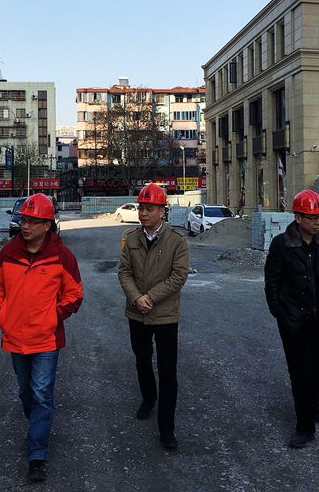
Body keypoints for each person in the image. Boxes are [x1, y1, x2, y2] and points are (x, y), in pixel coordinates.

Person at [0, 193, 83, 482]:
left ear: (47, 225)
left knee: (42, 393)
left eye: (32, 221)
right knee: (25, 392)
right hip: (15, 336)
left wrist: (53, 317)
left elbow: (74, 294)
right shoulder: (8, 253)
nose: (25, 226)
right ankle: (39, 426)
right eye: (23, 220)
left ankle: (37, 453)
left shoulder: (61, 256)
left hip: (46, 339)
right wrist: (2, 313)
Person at [264, 189, 319, 449]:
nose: (318, 222)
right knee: (300, 373)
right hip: (295, 321)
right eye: (312, 218)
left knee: (318, 368)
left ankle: (315, 408)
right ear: (298, 218)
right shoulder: (281, 244)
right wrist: (280, 312)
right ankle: (304, 426)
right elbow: (272, 281)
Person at [118, 184, 190, 451]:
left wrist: (151, 296)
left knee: (168, 370)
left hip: (165, 315)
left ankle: (167, 428)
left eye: (150, 208)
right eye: (142, 208)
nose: (144, 213)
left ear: (162, 211)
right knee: (142, 359)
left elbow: (179, 276)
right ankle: (149, 397)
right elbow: (124, 272)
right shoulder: (131, 238)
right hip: (136, 312)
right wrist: (137, 297)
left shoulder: (177, 241)